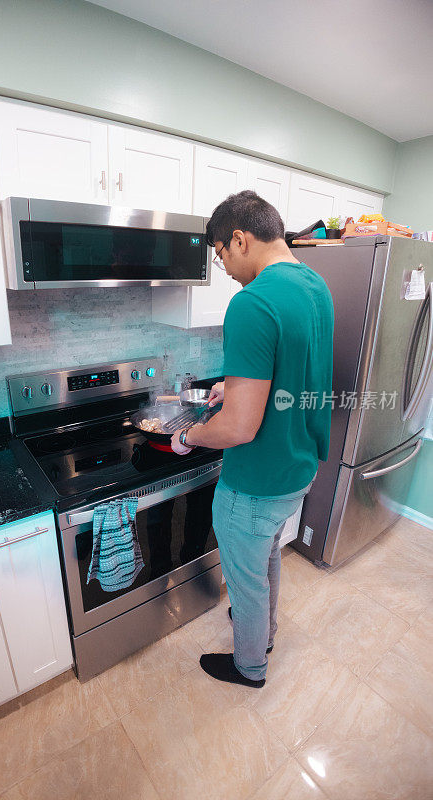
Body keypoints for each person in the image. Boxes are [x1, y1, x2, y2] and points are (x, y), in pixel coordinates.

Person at [171, 190, 334, 688]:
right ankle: (263, 631)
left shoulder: (252, 302)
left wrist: (190, 435)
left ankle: (250, 666)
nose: (224, 267)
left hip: (256, 479)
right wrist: (234, 384)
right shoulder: (314, 285)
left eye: (219, 254)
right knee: (264, 558)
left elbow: (239, 428)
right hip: (300, 466)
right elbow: (294, 366)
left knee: (245, 577)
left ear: (239, 239)